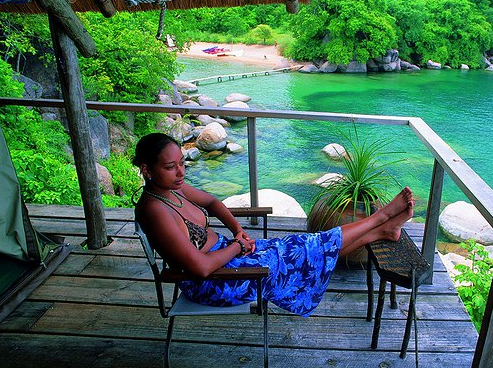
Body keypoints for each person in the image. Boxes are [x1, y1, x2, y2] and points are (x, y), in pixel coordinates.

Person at [133, 132, 414, 317]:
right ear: (147, 170)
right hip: (214, 282)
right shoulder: (155, 210)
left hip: (227, 256)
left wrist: (237, 230)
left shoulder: (173, 189)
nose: (181, 172)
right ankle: (379, 219)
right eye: (171, 167)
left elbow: (213, 204)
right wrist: (237, 246)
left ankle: (381, 229)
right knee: (308, 249)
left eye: (182, 163)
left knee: (304, 246)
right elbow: (201, 268)